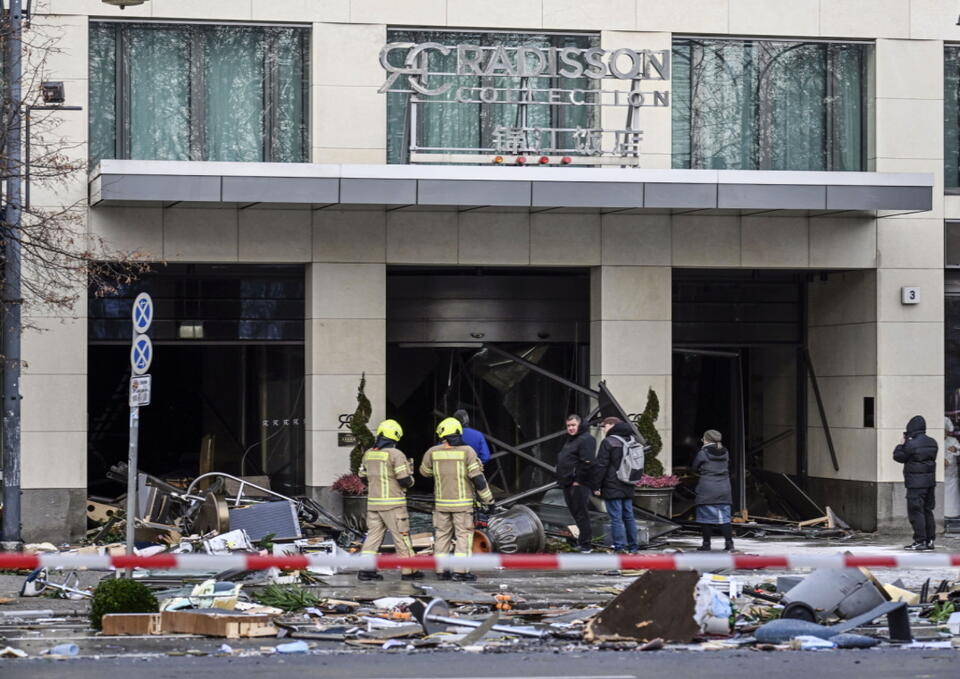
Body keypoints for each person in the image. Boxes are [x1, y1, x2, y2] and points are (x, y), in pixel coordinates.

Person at [421, 417, 494, 581]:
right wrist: (489, 501)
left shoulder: (432, 452)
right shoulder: (467, 451)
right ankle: (460, 572)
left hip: (441, 504)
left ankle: (441, 571)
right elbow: (478, 479)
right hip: (462, 504)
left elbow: (424, 472)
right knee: (463, 537)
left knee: (442, 536)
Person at [356, 419, 422, 581]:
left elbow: (362, 477)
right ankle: (409, 571)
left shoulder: (369, 454)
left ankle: (366, 571)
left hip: (373, 504)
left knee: (372, 537)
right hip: (393, 505)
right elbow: (404, 480)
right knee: (402, 537)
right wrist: (411, 479)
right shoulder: (396, 454)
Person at [590, 416, 639, 553]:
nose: (604, 429)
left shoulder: (609, 442)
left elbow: (601, 466)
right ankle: (633, 548)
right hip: (628, 483)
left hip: (612, 484)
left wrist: (596, 486)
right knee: (629, 517)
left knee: (616, 518)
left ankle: (619, 548)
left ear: (611, 425)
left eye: (604, 426)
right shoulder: (632, 440)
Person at [894, 415, 938, 550]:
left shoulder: (910, 444)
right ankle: (930, 540)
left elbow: (898, 457)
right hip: (930, 483)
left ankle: (920, 541)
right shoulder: (933, 442)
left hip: (915, 484)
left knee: (916, 511)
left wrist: (900, 444)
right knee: (927, 510)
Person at [555, 414, 596, 552]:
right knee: (576, 513)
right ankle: (582, 542)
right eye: (568, 426)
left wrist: (578, 481)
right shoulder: (572, 440)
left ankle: (586, 545)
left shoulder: (586, 439)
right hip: (568, 483)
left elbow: (587, 462)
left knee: (581, 514)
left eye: (573, 425)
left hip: (577, 484)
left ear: (579, 425)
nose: (570, 428)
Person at [691, 429, 734, 552]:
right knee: (725, 518)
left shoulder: (702, 453)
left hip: (707, 489)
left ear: (706, 439)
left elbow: (694, 468)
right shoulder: (725, 452)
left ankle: (706, 544)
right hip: (724, 488)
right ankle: (729, 543)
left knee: (705, 518)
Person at [946, 417, 960, 525]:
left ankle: (953, 514)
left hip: (951, 473)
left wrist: (955, 450)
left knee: (952, 494)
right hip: (941, 473)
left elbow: (959, 450)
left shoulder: (953, 440)